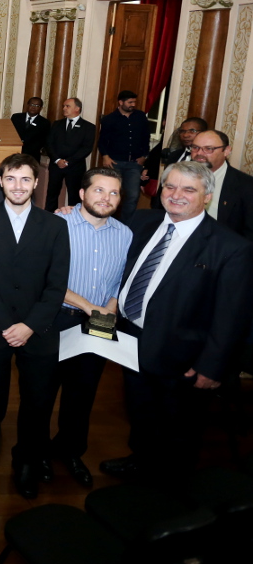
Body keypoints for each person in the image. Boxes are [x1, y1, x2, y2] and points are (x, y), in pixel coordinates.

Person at [101, 162, 253, 482]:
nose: (176, 195)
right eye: (170, 186)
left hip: (182, 358)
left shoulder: (230, 247)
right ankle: (140, 461)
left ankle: (168, 491)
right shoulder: (142, 220)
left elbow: (232, 316)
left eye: (189, 189)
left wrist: (211, 367)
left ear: (207, 197)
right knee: (140, 411)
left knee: (178, 428)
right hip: (130, 339)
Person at [0, 153, 70, 499]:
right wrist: (6, 323)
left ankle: (26, 459)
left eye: (26, 179)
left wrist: (28, 325)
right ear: (1, 181)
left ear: (37, 183)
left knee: (37, 401)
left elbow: (57, 285)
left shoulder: (55, 226)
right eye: (11, 179)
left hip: (38, 330)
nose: (18, 186)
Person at [50, 168, 131, 488]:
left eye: (114, 193)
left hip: (98, 324)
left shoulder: (124, 233)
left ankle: (70, 451)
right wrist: (89, 306)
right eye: (99, 190)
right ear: (81, 194)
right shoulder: (58, 223)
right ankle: (35, 453)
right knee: (42, 391)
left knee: (82, 394)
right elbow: (48, 276)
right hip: (57, 318)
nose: (106, 198)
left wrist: (108, 309)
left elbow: (121, 279)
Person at [189, 129, 253, 240]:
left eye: (208, 149)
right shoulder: (176, 177)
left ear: (226, 151)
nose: (199, 153)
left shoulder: (246, 186)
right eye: (195, 147)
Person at [97, 90, 150, 223]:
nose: (133, 104)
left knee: (132, 195)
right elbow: (102, 141)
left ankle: (126, 225)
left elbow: (146, 137)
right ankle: (106, 221)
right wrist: (105, 156)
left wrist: (144, 155)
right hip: (115, 163)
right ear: (121, 102)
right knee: (112, 194)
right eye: (130, 102)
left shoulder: (140, 117)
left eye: (134, 102)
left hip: (134, 164)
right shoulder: (109, 119)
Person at [44, 97, 95, 211]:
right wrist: (57, 160)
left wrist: (69, 161)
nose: (64, 108)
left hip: (75, 166)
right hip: (56, 165)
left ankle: (74, 220)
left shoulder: (88, 127)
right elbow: (49, 143)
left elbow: (86, 148)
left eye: (67, 106)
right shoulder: (57, 124)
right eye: (64, 106)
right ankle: (49, 218)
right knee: (52, 193)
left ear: (77, 108)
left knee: (75, 195)